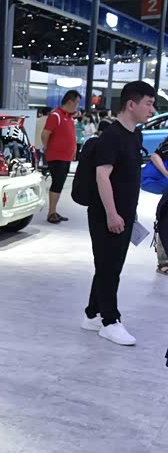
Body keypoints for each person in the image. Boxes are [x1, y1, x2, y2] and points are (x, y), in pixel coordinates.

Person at [82, 80, 156, 346]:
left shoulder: (135, 135)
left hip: (124, 212)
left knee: (108, 264)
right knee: (109, 267)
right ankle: (110, 321)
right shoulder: (112, 136)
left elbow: (127, 177)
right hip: (106, 213)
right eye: (148, 103)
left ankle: (92, 314)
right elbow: (102, 176)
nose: (152, 109)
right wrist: (112, 214)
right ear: (131, 104)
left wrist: (129, 211)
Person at [42, 90, 81, 224]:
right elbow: (45, 134)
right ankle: (51, 212)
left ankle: (53, 211)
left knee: (59, 183)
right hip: (57, 157)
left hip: (66, 157)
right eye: (77, 102)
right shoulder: (56, 116)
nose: (77, 106)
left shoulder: (68, 117)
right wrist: (47, 148)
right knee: (57, 183)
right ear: (70, 102)